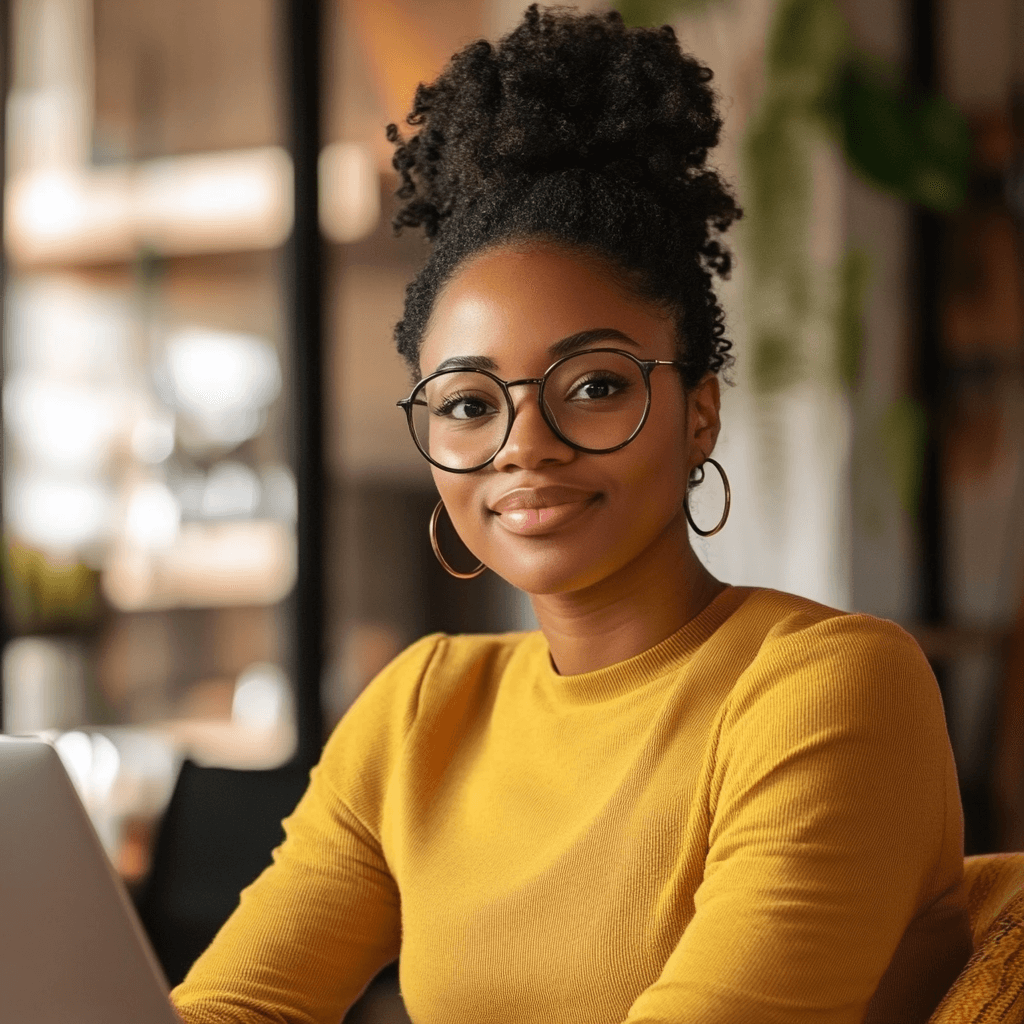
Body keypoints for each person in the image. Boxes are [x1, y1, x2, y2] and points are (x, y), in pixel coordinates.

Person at [171, 7, 971, 1023]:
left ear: (697, 413)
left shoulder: (825, 690)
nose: (523, 444)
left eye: (593, 386)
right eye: (467, 403)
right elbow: (232, 1008)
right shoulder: (420, 710)